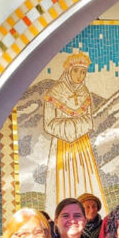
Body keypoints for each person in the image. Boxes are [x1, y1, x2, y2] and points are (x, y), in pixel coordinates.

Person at [43, 52, 106, 212]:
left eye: (83, 72)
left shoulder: (85, 92)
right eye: (76, 71)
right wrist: (71, 126)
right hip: (61, 145)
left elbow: (89, 120)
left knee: (85, 177)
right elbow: (49, 123)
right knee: (63, 180)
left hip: (82, 145)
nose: (80, 75)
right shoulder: (55, 91)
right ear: (68, 70)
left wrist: (77, 126)